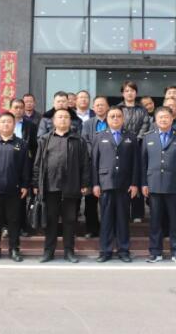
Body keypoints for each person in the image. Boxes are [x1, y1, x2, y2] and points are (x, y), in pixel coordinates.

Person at [33, 109, 90, 263]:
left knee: (70, 220)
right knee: (50, 220)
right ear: (53, 121)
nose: (63, 119)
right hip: (50, 186)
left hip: (71, 186)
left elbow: (85, 163)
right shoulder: (45, 139)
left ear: (70, 121)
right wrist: (36, 183)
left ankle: (69, 251)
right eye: (60, 117)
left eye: (66, 117)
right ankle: (48, 252)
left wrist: (85, 183)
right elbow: (38, 163)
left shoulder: (78, 140)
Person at [141, 106, 176, 264]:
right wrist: (144, 183)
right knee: (155, 221)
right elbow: (143, 163)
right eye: (160, 117)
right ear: (155, 120)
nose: (163, 119)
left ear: (172, 119)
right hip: (154, 185)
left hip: (175, 186)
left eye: (166, 117)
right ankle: (155, 252)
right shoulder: (148, 137)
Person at [0, 112, 32, 262]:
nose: (6, 124)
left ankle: (14, 249)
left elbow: (26, 167)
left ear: (14, 125)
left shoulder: (21, 144)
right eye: (3, 122)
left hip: (14, 190)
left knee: (14, 221)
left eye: (9, 122)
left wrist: (25, 185)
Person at [91, 106, 140, 263]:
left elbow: (136, 162)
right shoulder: (99, 136)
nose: (115, 118)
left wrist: (135, 183)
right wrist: (95, 184)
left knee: (122, 219)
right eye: (112, 116)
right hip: (105, 183)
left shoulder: (131, 136)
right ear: (107, 119)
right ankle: (105, 251)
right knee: (106, 219)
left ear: (123, 119)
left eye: (118, 116)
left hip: (125, 184)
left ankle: (123, 250)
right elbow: (94, 162)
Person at [118, 81, 150, 223]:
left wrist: (136, 139)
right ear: (122, 93)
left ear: (136, 93)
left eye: (132, 90)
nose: (129, 93)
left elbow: (145, 124)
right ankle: (123, 211)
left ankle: (137, 213)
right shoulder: (118, 108)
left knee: (138, 176)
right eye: (126, 90)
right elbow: (116, 124)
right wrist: (127, 139)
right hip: (122, 146)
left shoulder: (142, 109)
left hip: (139, 145)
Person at [81, 96, 112, 239]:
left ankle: (108, 230)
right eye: (97, 105)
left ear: (107, 107)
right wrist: (95, 154)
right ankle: (91, 229)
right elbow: (85, 141)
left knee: (108, 202)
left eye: (102, 105)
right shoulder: (87, 124)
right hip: (91, 164)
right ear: (93, 108)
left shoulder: (112, 121)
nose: (100, 107)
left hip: (109, 165)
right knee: (90, 200)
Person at [10, 98, 39, 236]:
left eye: (21, 107)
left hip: (24, 164)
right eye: (15, 107)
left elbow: (34, 146)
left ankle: (22, 227)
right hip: (7, 164)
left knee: (22, 197)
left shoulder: (30, 125)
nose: (18, 110)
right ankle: (6, 227)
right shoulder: (4, 122)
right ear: (10, 109)